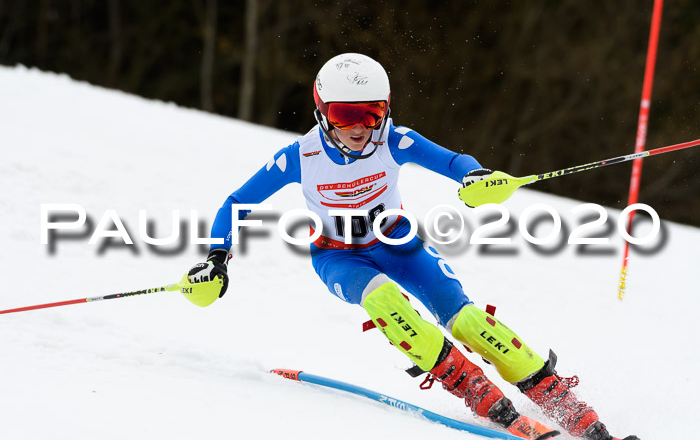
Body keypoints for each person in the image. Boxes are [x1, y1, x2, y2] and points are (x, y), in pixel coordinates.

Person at [186, 53, 638, 440]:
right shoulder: (300, 157)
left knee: (471, 322)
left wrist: (475, 177)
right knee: (385, 301)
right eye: (346, 115)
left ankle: (573, 411)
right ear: (323, 111)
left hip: (398, 244)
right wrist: (217, 258)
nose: (361, 127)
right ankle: (475, 391)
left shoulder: (393, 140)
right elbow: (238, 201)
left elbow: (452, 161)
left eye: (372, 112)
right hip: (338, 256)